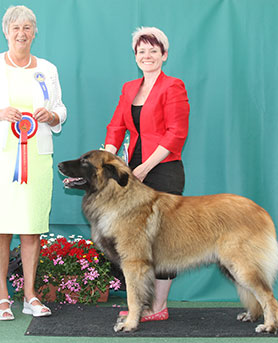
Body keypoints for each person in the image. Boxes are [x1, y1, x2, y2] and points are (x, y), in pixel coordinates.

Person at [105, 26, 190, 321]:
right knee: (133, 242)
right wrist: (108, 155)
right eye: (142, 51)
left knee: (164, 241)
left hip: (162, 170)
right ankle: (139, 303)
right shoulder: (129, 88)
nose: (147, 56)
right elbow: (117, 126)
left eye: (153, 50)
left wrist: (144, 167)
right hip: (131, 173)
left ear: (164, 55)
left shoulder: (173, 86)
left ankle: (159, 307)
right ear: (135, 56)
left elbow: (176, 134)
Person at [0, 6, 66, 320]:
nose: (21, 34)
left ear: (35, 33)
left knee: (32, 227)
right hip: (0, 156)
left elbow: (61, 109)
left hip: (36, 156)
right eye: (15, 28)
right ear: (5, 32)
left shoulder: (47, 69)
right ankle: (2, 296)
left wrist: (52, 116)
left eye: (27, 28)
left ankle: (31, 295)